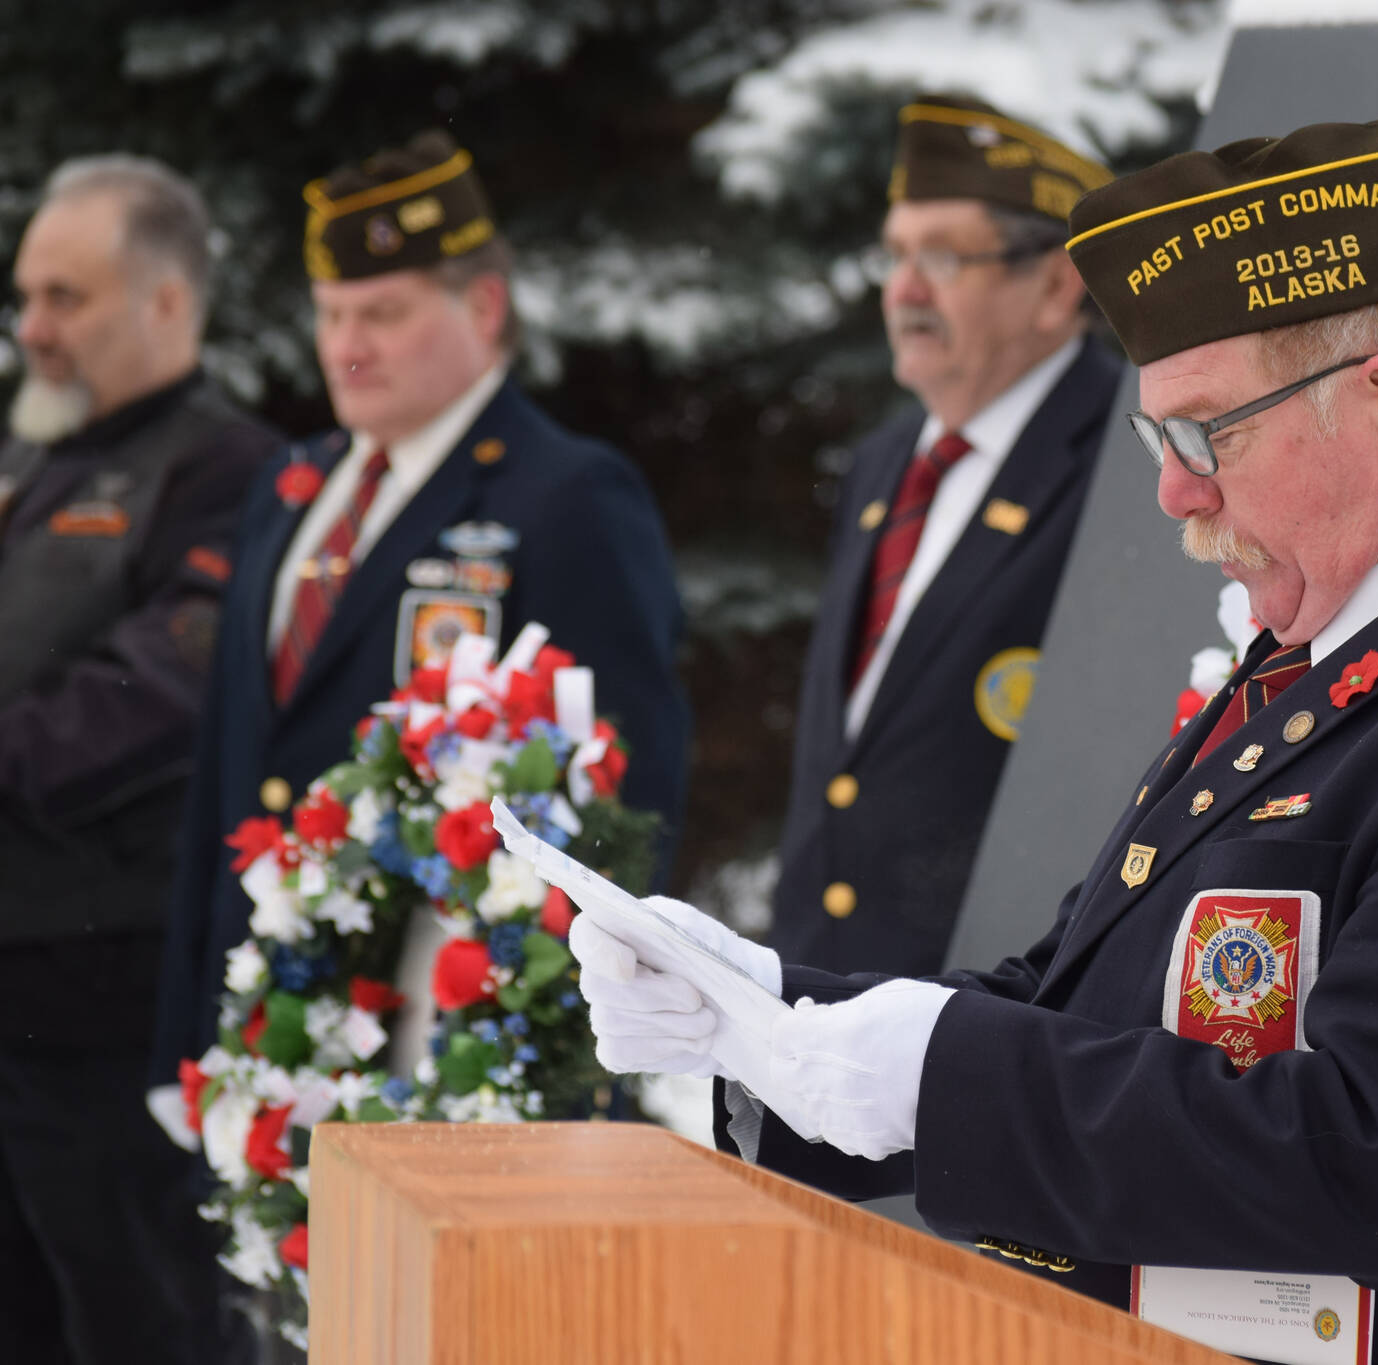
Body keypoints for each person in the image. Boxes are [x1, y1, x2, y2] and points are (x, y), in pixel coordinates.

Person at [561, 114, 1378, 1363]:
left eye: (1208, 432)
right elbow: (1077, 1004)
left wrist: (939, 1078)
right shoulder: (1336, 647)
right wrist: (762, 1014)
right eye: (1156, 439)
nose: (1175, 490)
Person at [150, 131, 690, 1098]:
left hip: (440, 1047)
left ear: (483, 306)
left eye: (384, 314)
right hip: (265, 1035)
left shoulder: (562, 496)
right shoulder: (292, 485)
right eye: (331, 314)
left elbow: (624, 796)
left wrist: (539, 1058)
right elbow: (231, 773)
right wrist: (187, 1038)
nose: (347, 346)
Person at [0, 155, 276, 1363]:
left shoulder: (230, 476)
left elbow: (146, 697)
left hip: (108, 1002)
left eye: (67, 298)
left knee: (134, 1318)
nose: (34, 329)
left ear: (168, 301)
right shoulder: (35, 459)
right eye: (26, 297)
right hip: (12, 993)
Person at [768, 93, 1120, 976]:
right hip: (830, 997)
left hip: (995, 1012)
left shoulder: (1133, 457)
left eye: (942, 258)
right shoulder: (887, 461)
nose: (904, 290)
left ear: (1054, 284)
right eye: (895, 255)